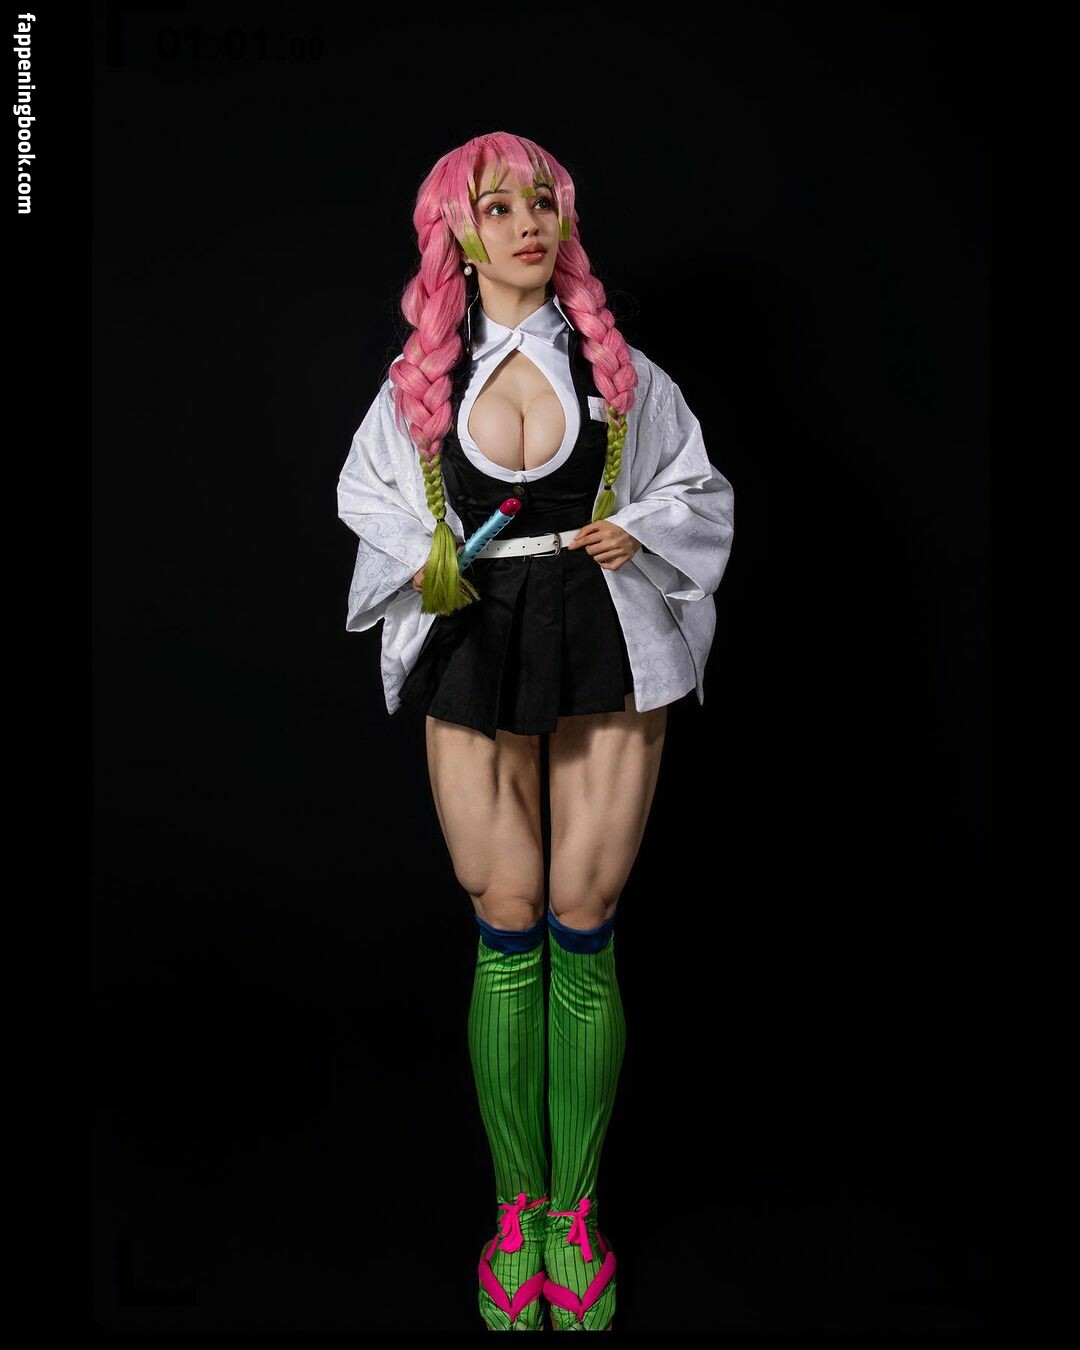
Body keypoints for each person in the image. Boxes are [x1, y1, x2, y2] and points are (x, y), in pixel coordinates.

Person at [336, 131, 734, 1331]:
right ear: (456, 232)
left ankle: (578, 1214)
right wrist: (428, 551)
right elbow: (366, 493)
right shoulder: (420, 383)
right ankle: (517, 1214)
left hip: (607, 637)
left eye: (543, 202)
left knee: (583, 917)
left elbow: (698, 487)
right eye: (499, 206)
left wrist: (642, 527)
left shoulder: (623, 374)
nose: (526, 223)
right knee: (505, 917)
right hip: (476, 645)